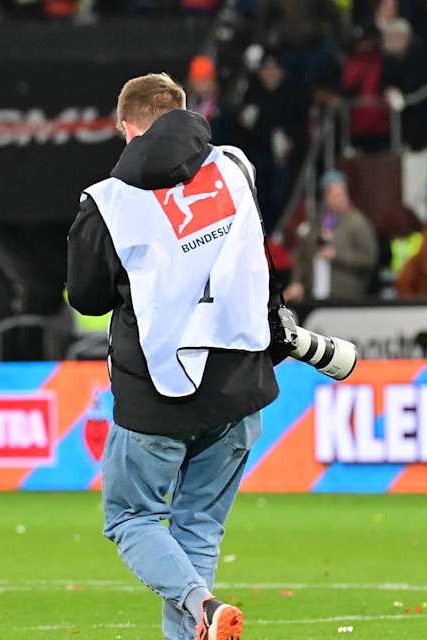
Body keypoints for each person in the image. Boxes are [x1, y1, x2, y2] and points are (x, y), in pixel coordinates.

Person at [67, 73, 279, 640]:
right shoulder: (236, 168)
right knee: (199, 527)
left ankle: (198, 604)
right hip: (240, 379)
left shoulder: (109, 201)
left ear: (126, 127)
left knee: (131, 517)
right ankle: (196, 621)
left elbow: (85, 298)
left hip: (158, 387)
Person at [286, 171, 379, 301]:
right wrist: (297, 282)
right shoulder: (315, 224)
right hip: (314, 294)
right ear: (325, 197)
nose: (341, 198)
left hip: (344, 297)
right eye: (335, 195)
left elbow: (369, 259)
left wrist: (337, 255)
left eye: (342, 193)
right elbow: (301, 256)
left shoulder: (357, 222)